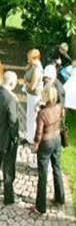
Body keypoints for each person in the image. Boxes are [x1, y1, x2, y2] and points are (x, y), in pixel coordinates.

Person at [32, 85, 65, 215]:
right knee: (57, 168)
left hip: (46, 143)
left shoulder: (42, 113)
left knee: (43, 174)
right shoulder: (60, 106)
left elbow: (39, 133)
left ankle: (40, 207)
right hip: (57, 139)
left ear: (45, 95)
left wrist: (35, 144)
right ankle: (60, 198)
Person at [0, 71, 19, 205]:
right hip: (5, 140)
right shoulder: (11, 99)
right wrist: (16, 138)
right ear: (12, 83)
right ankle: (9, 198)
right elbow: (13, 121)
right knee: (8, 169)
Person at [24, 48, 43, 145]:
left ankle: (31, 139)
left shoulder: (37, 69)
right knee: (29, 116)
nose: (28, 60)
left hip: (34, 96)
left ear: (34, 58)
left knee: (32, 117)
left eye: (29, 58)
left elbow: (32, 86)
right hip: (30, 95)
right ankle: (28, 136)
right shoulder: (32, 65)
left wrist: (26, 83)